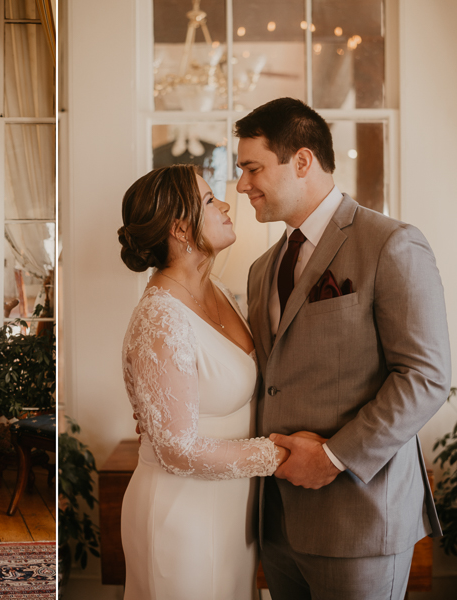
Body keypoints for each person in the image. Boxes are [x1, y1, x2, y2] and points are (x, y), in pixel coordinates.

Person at [236, 97, 451, 600]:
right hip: (275, 522)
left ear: (303, 160)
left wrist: (334, 456)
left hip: (359, 519)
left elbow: (425, 377)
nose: (243, 184)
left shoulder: (392, 243)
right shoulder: (260, 269)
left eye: (252, 167)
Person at [118, 164, 290, 599]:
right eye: (210, 200)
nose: (226, 204)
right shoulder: (160, 316)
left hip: (233, 510)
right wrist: (280, 455)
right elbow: (177, 449)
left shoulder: (218, 290)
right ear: (180, 228)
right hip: (183, 515)